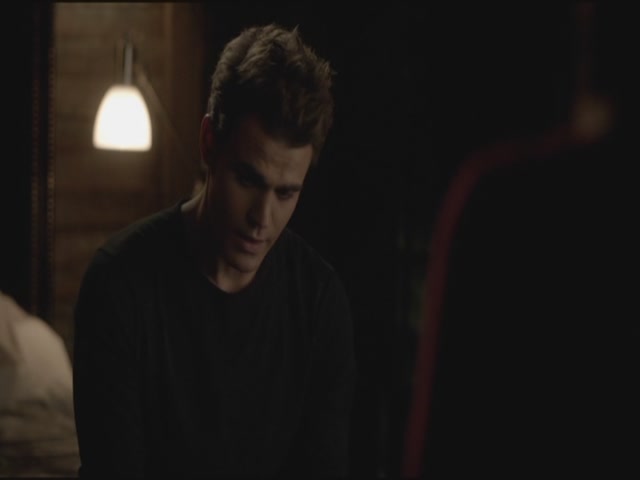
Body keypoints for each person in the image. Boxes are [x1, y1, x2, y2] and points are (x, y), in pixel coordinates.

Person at [72, 24, 356, 478]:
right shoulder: (120, 284)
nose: (262, 218)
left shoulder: (319, 303)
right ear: (209, 143)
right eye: (248, 180)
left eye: (286, 193)